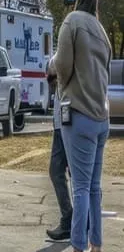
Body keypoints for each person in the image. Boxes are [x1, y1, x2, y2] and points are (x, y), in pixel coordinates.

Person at [52, 0, 112, 252]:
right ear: (96, 2)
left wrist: (62, 86)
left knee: (80, 187)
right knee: (94, 188)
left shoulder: (72, 21)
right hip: (102, 119)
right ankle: (95, 251)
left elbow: (62, 65)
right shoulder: (102, 33)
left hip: (79, 115)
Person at [45, 65, 72, 241]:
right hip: (60, 123)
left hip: (69, 123)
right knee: (57, 171)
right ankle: (70, 219)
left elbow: (53, 72)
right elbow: (51, 75)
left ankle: (77, 221)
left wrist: (53, 74)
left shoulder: (68, 52)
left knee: (74, 175)